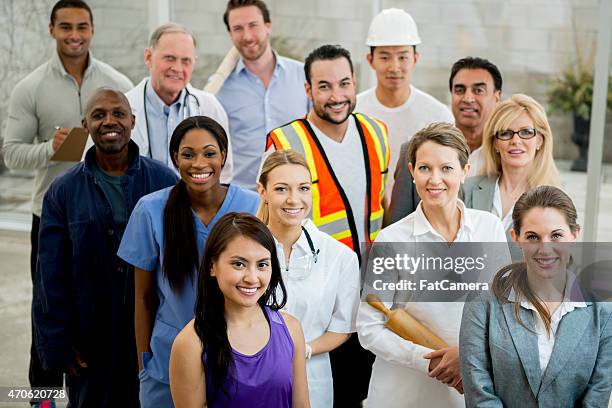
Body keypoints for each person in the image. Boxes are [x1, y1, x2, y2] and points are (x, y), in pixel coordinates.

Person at [2, 1, 133, 404]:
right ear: (52, 30)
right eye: (65, 27)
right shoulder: (31, 87)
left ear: (92, 29)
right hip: (53, 216)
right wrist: (49, 149)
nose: (74, 34)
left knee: (104, 312)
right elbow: (10, 153)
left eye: (81, 26)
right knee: (49, 309)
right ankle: (42, 397)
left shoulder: (117, 82)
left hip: (109, 216)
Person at [32, 88, 177, 407]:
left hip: (153, 333)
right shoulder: (63, 191)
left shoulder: (165, 182)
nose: (109, 121)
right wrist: (59, 343)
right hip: (89, 339)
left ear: (132, 121)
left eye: (118, 113)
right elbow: (49, 276)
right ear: (85, 125)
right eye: (98, 115)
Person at [266, 44, 389, 406]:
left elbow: (383, 206)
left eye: (344, 84)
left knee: (364, 392)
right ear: (307, 90)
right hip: (317, 292)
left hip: (371, 288)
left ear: (356, 84)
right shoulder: (286, 141)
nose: (336, 96)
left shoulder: (377, 132)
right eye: (324, 86)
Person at [357, 122, 509, 408]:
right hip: (400, 397)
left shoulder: (490, 229)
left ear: (465, 172)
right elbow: (369, 328)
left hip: (467, 392)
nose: (434, 179)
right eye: (425, 168)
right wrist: (431, 362)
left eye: (447, 168)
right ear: (412, 171)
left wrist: (466, 356)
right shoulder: (390, 239)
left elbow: (502, 313)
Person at [118, 116, 259, 407]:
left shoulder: (253, 207)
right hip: (166, 364)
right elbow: (143, 298)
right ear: (174, 158)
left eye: (209, 153)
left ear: (223, 156)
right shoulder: (151, 210)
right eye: (187, 154)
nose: (199, 164)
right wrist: (145, 364)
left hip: (239, 361)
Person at [460, 186, 612, 407]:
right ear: (516, 237)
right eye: (532, 237)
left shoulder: (603, 315)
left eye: (556, 235)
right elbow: (478, 392)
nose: (545, 248)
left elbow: (596, 397)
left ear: (574, 235)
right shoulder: (481, 304)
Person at [169, 212, 310, 407]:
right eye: (239, 264)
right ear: (212, 266)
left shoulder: (291, 329)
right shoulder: (190, 344)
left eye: (262, 265)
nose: (252, 277)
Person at [256, 150, 360, 406]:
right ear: (262, 192)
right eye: (281, 189)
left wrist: (303, 350)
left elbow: (342, 327)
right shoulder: (245, 250)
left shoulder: (340, 256)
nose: (294, 200)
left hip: (313, 377)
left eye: (303, 188)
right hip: (252, 373)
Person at [388, 57, 502, 224]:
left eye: (478, 91)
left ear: (497, 97)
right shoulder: (414, 151)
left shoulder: (506, 155)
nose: (468, 98)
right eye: (460, 90)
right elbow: (397, 226)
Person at [356, 8, 454, 191]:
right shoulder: (354, 112)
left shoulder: (437, 115)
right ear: (370, 60)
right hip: (367, 212)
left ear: (415, 59)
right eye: (385, 57)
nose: (394, 67)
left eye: (403, 57)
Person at [216, 0, 310, 190]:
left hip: (297, 198)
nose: (247, 36)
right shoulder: (219, 89)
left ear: (268, 26)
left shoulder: (304, 76)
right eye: (238, 28)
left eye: (253, 25)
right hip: (243, 200)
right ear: (230, 34)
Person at [126, 22, 233, 181]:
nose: (177, 68)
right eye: (169, 58)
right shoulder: (123, 108)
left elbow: (224, 173)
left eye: (186, 61)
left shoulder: (209, 106)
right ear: (148, 57)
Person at [462, 94, 560, 235]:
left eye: (526, 132)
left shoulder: (553, 202)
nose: (515, 140)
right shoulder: (467, 190)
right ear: (495, 143)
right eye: (506, 133)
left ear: (540, 140)